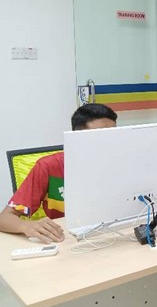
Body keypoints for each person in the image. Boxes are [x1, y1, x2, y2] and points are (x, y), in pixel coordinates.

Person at [0, 103, 117, 243]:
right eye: (99, 136)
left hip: (113, 234)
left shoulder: (121, 163)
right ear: (76, 138)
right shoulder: (49, 167)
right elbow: (4, 218)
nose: (108, 143)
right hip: (67, 239)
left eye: (113, 135)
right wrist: (27, 226)